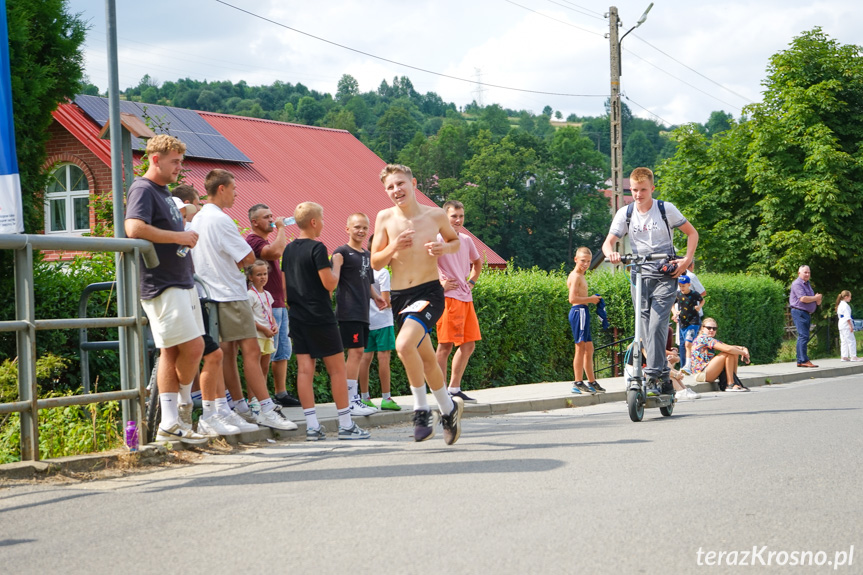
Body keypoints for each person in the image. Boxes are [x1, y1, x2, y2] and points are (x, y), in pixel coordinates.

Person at [190, 169, 297, 431]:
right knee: (251, 350)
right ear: (222, 189)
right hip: (229, 292)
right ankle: (264, 407)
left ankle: (233, 407)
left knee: (223, 353)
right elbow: (248, 259)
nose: (237, 194)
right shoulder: (221, 220)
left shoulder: (198, 219)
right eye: (234, 189)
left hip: (206, 293)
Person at [124, 135, 209, 445]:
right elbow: (133, 228)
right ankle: (180, 413)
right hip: (162, 283)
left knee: (172, 352)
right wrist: (179, 239)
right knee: (193, 348)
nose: (179, 167)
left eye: (180, 161)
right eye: (174, 161)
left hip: (180, 280)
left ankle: (172, 422)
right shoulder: (143, 188)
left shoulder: (162, 191)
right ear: (155, 159)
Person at [371, 164, 464, 444]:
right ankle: (448, 410)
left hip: (428, 292)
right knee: (425, 358)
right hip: (401, 297)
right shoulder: (384, 218)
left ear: (413, 183)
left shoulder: (434, 214)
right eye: (390, 187)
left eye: (400, 183)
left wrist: (443, 249)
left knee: (402, 345)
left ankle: (421, 409)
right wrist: (393, 247)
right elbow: (376, 261)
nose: (396, 190)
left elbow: (454, 241)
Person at [602, 166, 699, 397]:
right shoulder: (625, 213)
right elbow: (608, 242)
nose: (638, 194)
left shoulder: (665, 209)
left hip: (666, 274)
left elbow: (692, 233)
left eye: (643, 190)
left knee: (657, 324)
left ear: (652, 188)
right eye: (634, 190)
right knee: (643, 327)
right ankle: (663, 373)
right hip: (639, 275)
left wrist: (685, 261)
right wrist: (611, 253)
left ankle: (654, 374)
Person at [282, 202, 370, 440]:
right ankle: (346, 424)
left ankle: (312, 426)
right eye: (321, 219)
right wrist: (337, 266)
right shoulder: (318, 247)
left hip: (297, 316)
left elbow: (284, 288)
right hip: (320, 315)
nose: (322, 223)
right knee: (337, 370)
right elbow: (330, 283)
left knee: (304, 370)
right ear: (313, 222)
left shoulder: (288, 250)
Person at [245, 204, 301, 407]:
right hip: (264, 306)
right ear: (254, 222)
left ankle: (281, 393)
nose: (271, 219)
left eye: (271, 215)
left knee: (282, 351)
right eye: (266, 217)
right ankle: (258, 397)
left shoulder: (264, 240)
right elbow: (276, 252)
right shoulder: (254, 241)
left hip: (277, 302)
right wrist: (282, 228)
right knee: (264, 353)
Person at [333, 213, 385, 417]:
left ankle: (354, 398)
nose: (361, 231)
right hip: (349, 311)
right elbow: (332, 281)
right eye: (357, 227)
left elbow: (367, 282)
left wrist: (377, 297)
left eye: (364, 227)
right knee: (354, 354)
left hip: (364, 312)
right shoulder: (341, 252)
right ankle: (350, 400)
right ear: (347, 229)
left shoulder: (366, 254)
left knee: (359, 353)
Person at [434, 200, 483, 403]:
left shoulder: (466, 239)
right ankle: (440, 391)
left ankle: (454, 388)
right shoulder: (436, 238)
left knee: (468, 345)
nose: (458, 220)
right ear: (445, 217)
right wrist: (440, 283)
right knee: (444, 346)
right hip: (448, 298)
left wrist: (471, 282)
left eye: (461, 216)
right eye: (454, 216)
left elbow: (478, 263)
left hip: (465, 297)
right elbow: (426, 264)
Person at [359, 235, 400, 411]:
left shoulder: (363, 270)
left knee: (364, 358)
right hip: (383, 321)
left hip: (366, 320)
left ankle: (364, 397)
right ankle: (386, 398)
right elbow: (385, 300)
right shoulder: (383, 272)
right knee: (384, 358)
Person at [567, 246, 605, 395]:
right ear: (576, 259)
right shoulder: (575, 276)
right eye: (583, 261)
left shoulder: (581, 275)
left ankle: (591, 381)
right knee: (580, 348)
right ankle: (577, 382)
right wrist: (591, 299)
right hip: (579, 311)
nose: (586, 264)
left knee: (589, 349)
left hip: (583, 312)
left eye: (588, 261)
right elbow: (572, 299)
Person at [690, 318, 750, 391]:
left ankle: (734, 382)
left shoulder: (709, 339)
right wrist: (743, 353)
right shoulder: (703, 338)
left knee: (734, 353)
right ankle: (730, 384)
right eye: (709, 328)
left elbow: (728, 346)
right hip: (701, 374)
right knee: (728, 353)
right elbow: (728, 349)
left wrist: (743, 348)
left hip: (707, 371)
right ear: (702, 328)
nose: (711, 330)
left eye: (714, 328)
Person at [247, 260, 278, 380]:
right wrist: (263, 329)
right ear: (250, 277)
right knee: (255, 367)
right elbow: (248, 318)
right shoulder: (250, 295)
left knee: (265, 368)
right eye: (259, 275)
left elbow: (270, 313)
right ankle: (252, 398)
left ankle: (263, 397)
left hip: (267, 335)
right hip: (257, 335)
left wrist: (274, 325)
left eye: (265, 274)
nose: (263, 277)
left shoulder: (267, 294)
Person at [789, 265, 822, 368]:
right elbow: (803, 299)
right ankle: (803, 360)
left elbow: (816, 301)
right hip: (799, 312)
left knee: (803, 336)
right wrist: (815, 297)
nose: (807, 274)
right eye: (805, 272)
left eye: (809, 272)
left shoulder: (807, 284)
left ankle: (800, 360)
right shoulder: (797, 284)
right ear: (799, 273)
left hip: (805, 313)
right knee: (803, 336)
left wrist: (817, 299)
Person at [672, 275, 703, 374]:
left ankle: (688, 365)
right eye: (680, 286)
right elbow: (671, 304)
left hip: (693, 321)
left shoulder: (694, 294)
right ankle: (688, 365)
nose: (682, 288)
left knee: (688, 343)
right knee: (685, 344)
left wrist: (699, 307)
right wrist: (674, 312)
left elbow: (702, 300)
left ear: (689, 285)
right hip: (683, 322)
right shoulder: (678, 294)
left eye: (684, 286)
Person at [836, 291, 860, 362]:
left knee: (844, 341)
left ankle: (844, 356)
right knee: (851, 340)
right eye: (850, 296)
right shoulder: (845, 305)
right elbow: (847, 316)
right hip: (846, 324)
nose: (850, 298)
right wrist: (850, 326)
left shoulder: (840, 305)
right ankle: (853, 356)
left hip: (841, 324)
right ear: (846, 297)